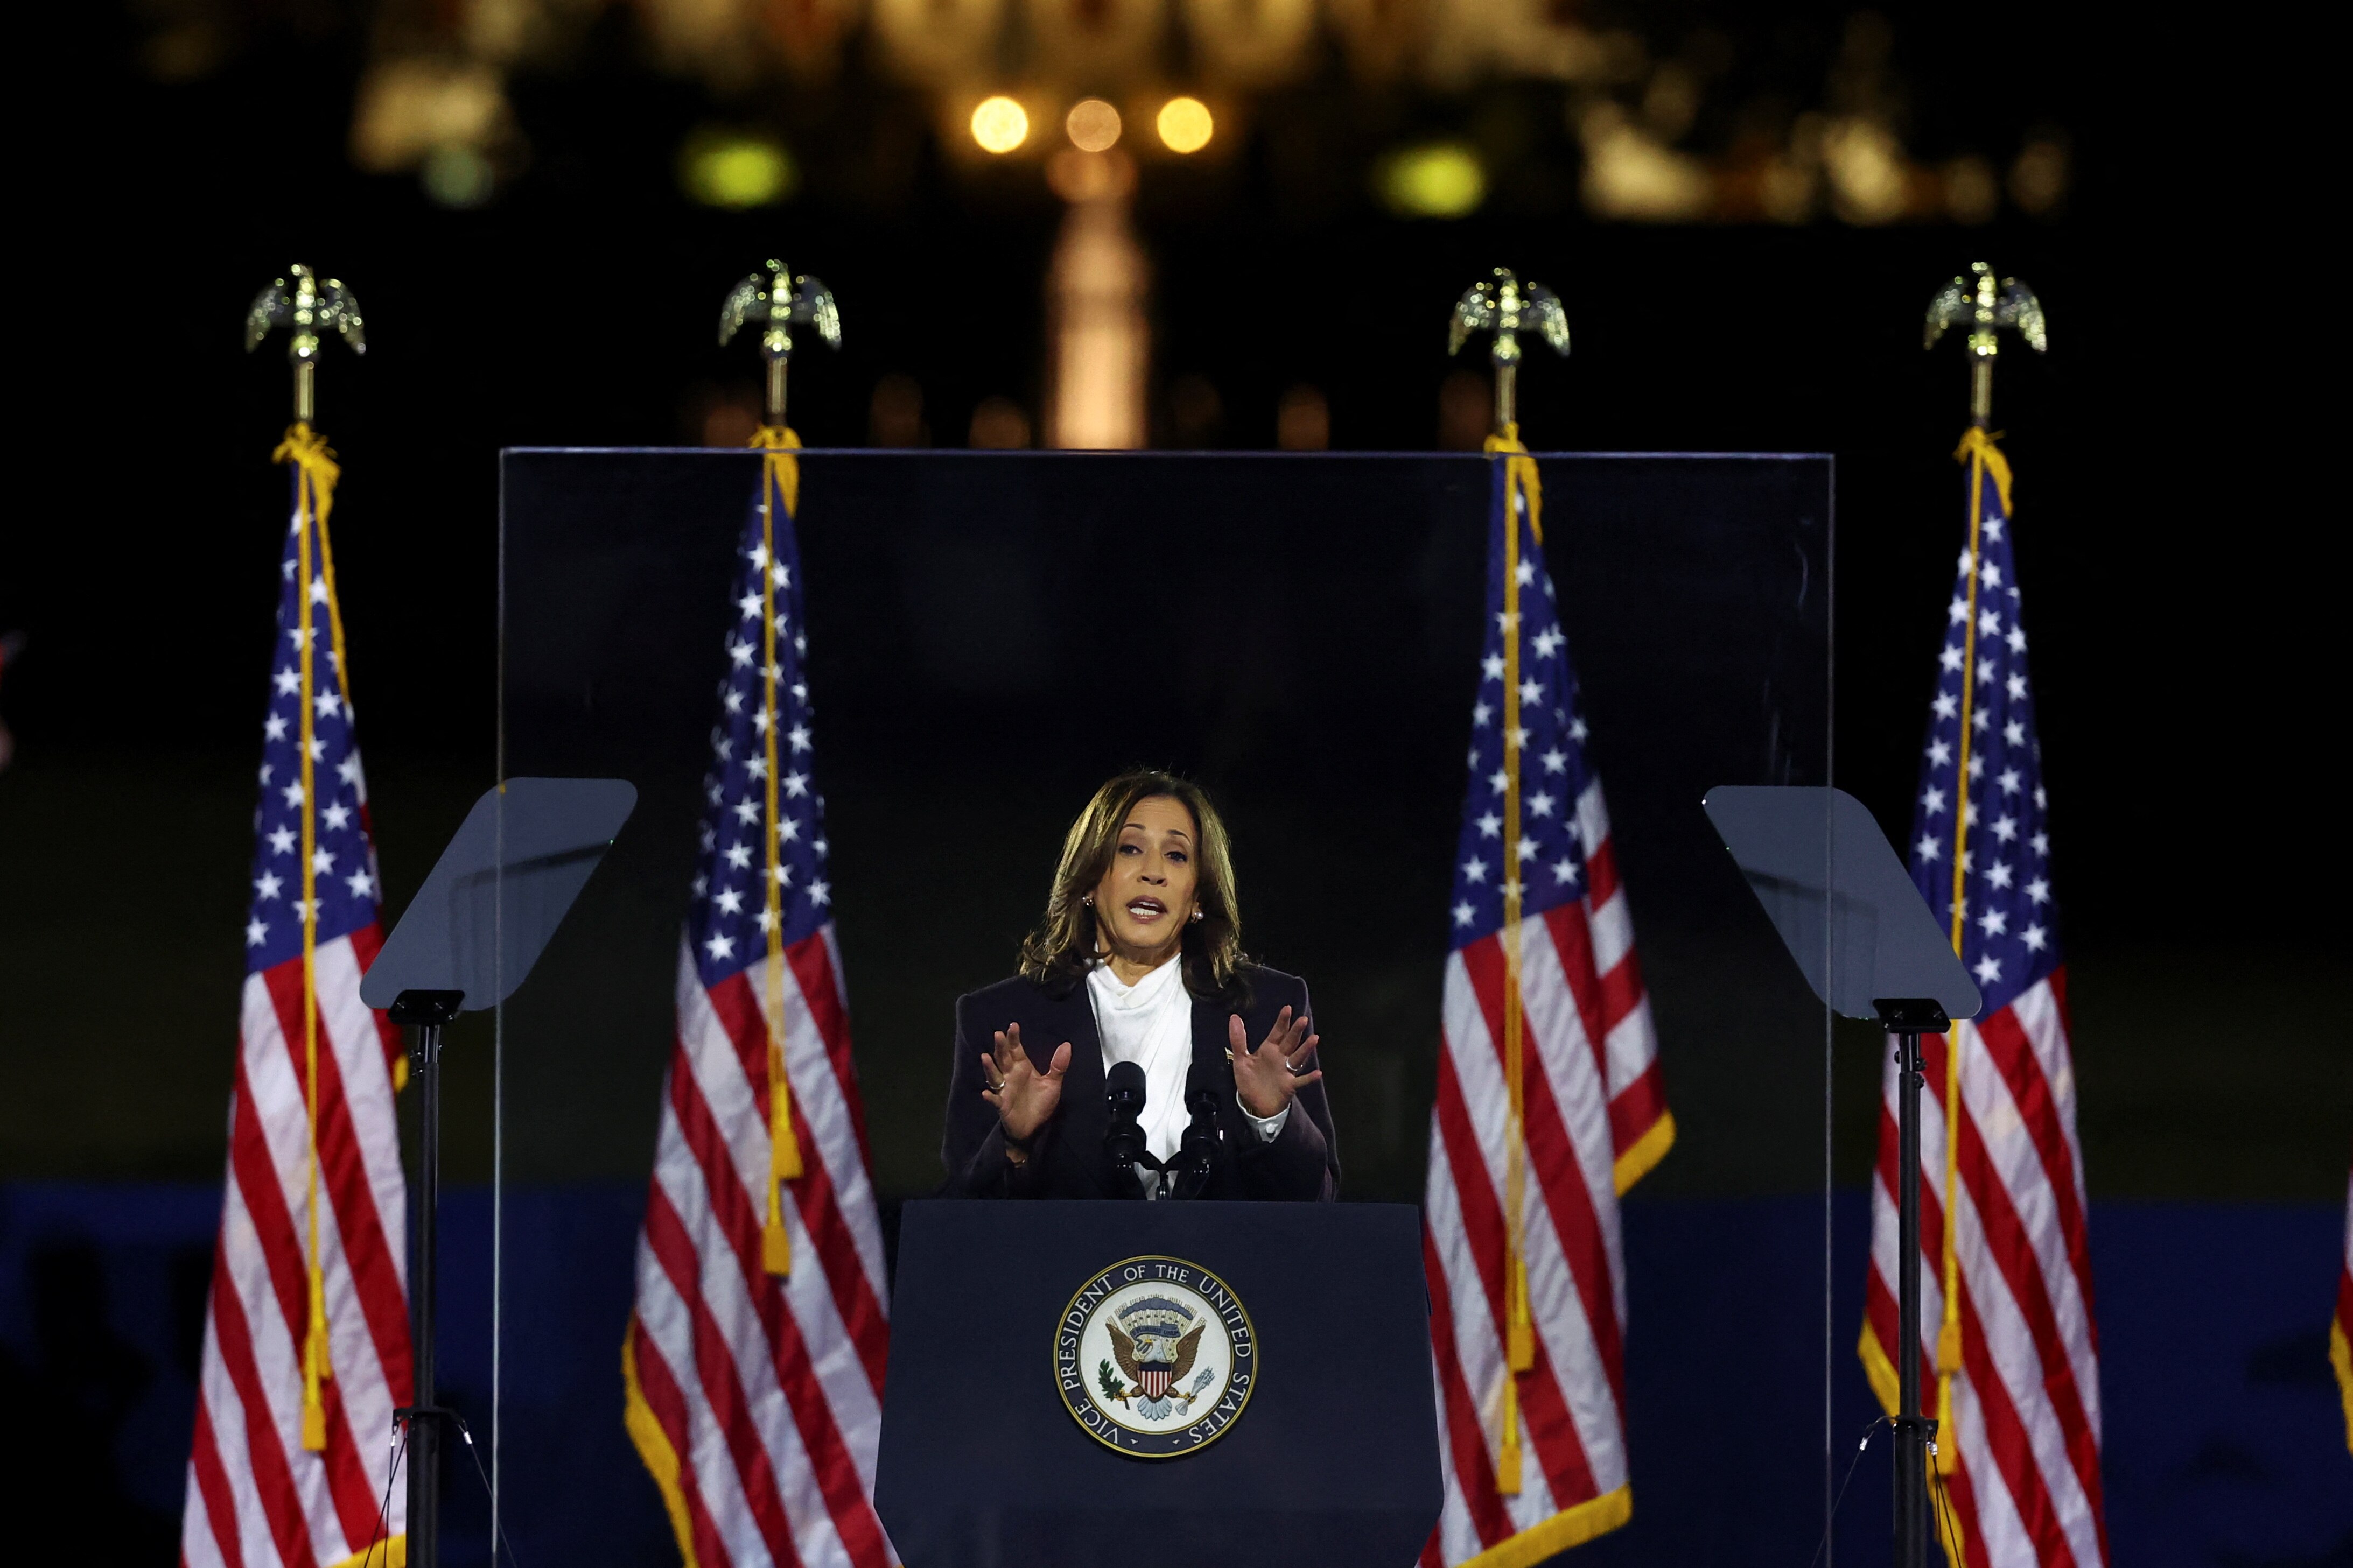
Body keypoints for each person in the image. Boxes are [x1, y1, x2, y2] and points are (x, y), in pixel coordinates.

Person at [939, 770, 1339, 1200]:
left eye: (1177, 855)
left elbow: (1322, 1203)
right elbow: (958, 1227)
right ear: (1091, 879)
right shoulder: (1001, 1019)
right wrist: (1015, 1144)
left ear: (1198, 897)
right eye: (1130, 849)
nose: (1153, 872)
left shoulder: (1267, 1010)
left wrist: (1271, 1119)